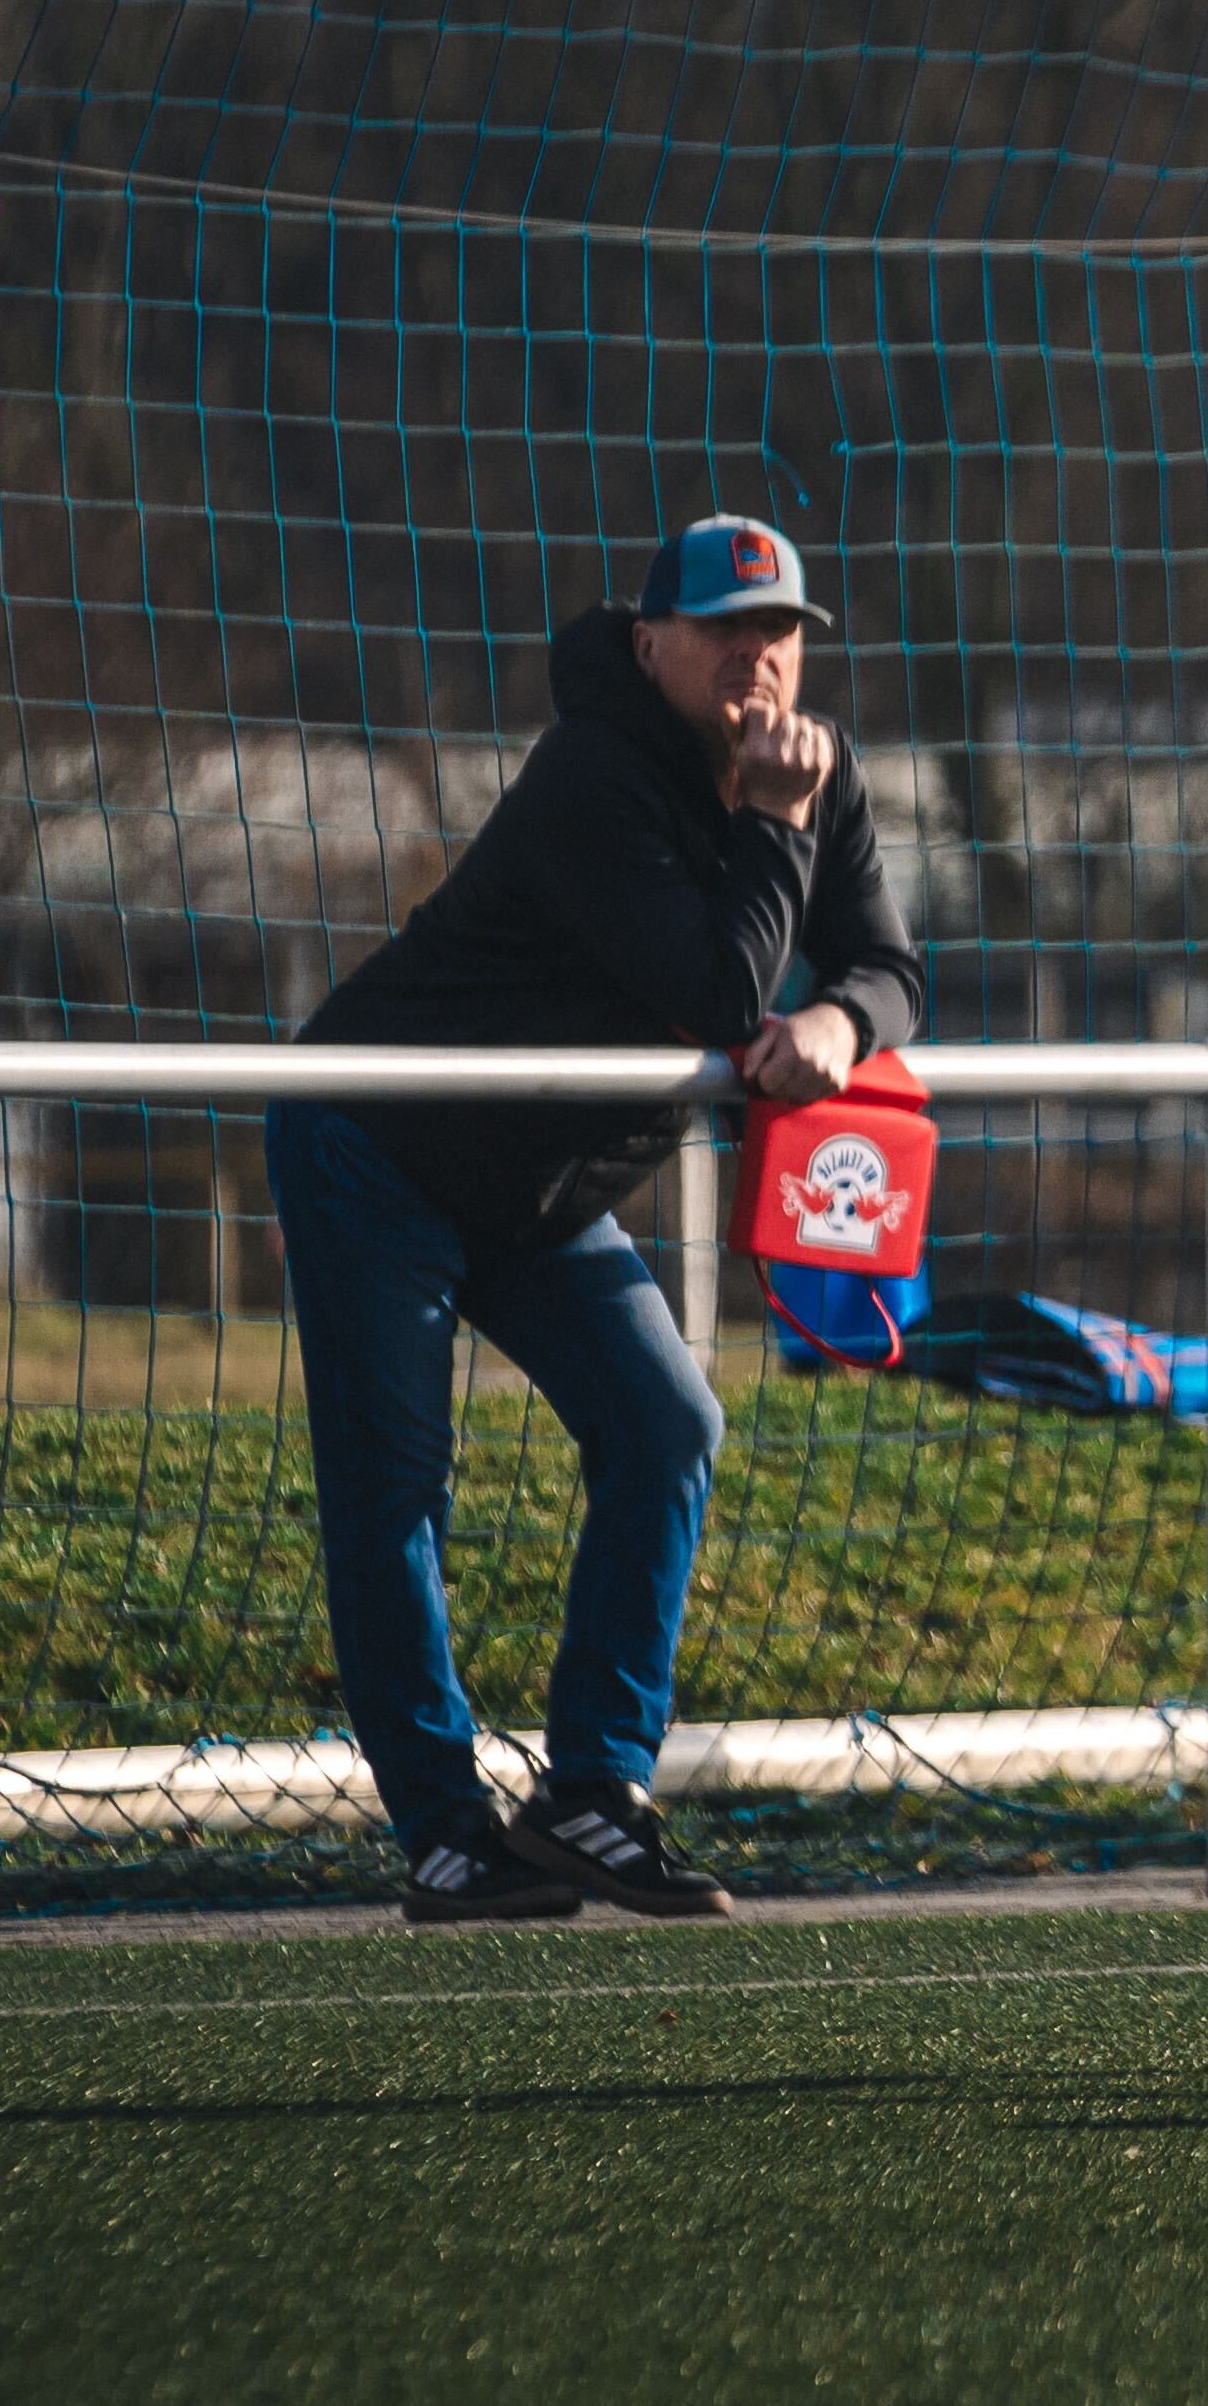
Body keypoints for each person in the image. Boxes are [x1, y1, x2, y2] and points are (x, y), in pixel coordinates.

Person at [274, 510, 928, 1926]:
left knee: (667, 1420)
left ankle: (591, 1790)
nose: (762, 660)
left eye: (785, 633)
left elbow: (887, 966)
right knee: (396, 1485)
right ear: (652, 645)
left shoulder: (821, 774)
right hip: (377, 1146)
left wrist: (837, 1013)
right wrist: (767, 827)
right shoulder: (598, 770)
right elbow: (709, 985)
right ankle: (446, 1828)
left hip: (544, 1181)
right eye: (727, 630)